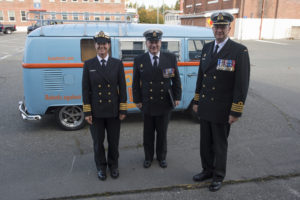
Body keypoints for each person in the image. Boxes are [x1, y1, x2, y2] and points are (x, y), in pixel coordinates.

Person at [192, 12, 250, 192]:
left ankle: (218, 176)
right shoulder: (207, 48)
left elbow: (241, 84)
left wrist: (236, 111)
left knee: (219, 144)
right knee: (205, 143)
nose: (219, 30)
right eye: (216, 27)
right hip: (206, 105)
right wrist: (196, 100)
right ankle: (207, 170)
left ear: (229, 29)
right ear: (212, 28)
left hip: (223, 108)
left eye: (222, 27)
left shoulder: (239, 51)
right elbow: (201, 77)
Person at [132, 29, 182, 169]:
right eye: (150, 42)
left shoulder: (170, 58)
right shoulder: (139, 60)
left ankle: (161, 157)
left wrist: (177, 96)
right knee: (148, 134)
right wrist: (137, 100)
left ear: (161, 42)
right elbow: (135, 83)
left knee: (162, 133)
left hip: (164, 103)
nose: (154, 45)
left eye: (156, 42)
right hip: (147, 103)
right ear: (146, 43)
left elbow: (176, 80)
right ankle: (148, 157)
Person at [82, 31, 127, 180]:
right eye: (99, 44)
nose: (102, 47)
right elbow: (85, 89)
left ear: (109, 46)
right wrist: (87, 112)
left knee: (113, 142)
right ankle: (101, 167)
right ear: (95, 46)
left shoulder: (117, 63)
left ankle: (113, 165)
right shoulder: (89, 65)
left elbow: (122, 87)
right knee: (98, 142)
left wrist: (122, 108)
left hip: (113, 111)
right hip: (96, 112)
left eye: (104, 44)